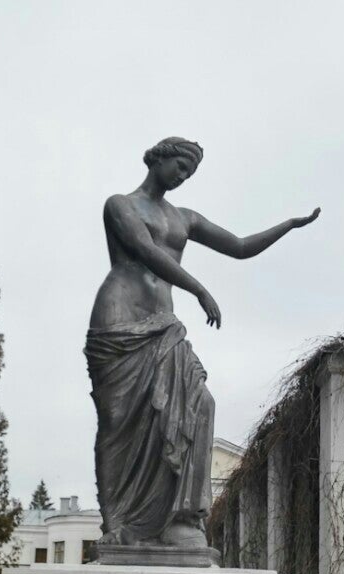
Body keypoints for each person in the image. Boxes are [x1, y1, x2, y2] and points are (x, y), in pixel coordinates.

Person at [85, 136, 320, 550]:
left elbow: (241, 247)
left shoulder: (185, 218)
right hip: (119, 320)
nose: (182, 177)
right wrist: (199, 289)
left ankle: (180, 519)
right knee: (118, 422)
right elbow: (142, 249)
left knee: (200, 405)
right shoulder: (119, 204)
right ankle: (117, 522)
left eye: (189, 173)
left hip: (163, 325)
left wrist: (289, 225)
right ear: (158, 159)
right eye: (179, 166)